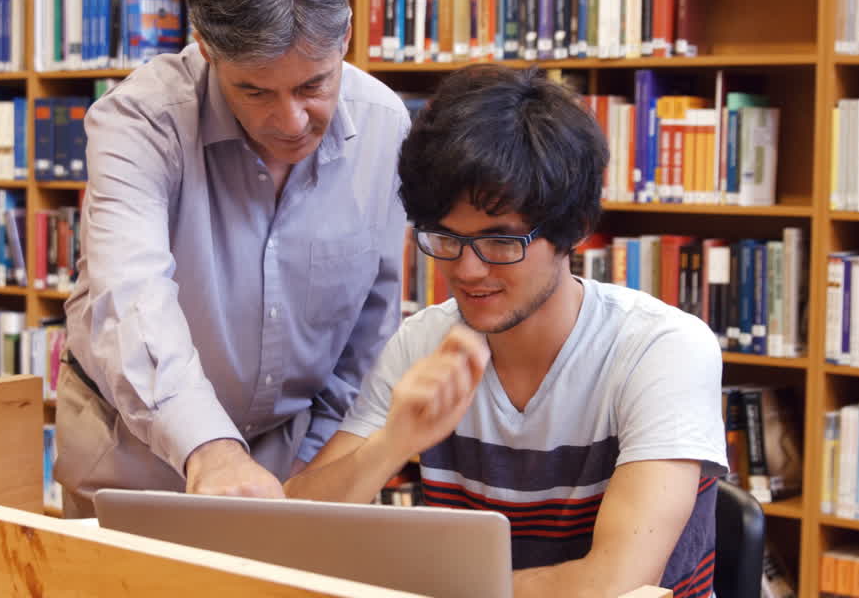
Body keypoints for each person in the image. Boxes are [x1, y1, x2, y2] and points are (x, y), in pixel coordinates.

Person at [285, 65, 728, 598]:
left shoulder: (662, 350)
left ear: (574, 231)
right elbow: (294, 536)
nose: (467, 271)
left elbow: (613, 584)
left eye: (500, 242)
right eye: (445, 237)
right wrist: (391, 443)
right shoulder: (426, 343)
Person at [56, 0, 410, 517]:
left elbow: (371, 325)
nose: (291, 119)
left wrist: (318, 466)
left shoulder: (384, 124)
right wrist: (211, 449)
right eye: (254, 91)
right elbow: (130, 298)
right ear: (206, 46)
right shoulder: (139, 123)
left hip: (294, 453)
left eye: (313, 85)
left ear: (346, 35)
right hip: (132, 450)